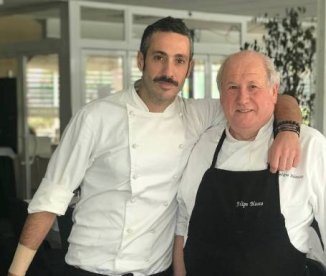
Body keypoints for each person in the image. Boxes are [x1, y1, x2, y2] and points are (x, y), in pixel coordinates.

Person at [8, 18, 302, 276]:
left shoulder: (196, 114)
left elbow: (274, 100)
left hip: (154, 270)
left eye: (179, 60)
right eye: (159, 57)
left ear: (189, 67)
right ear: (141, 60)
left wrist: (288, 129)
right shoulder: (96, 117)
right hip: (89, 267)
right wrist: (16, 271)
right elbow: (51, 198)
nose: (168, 71)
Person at [173, 50, 326, 276]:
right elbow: (183, 222)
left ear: (273, 92)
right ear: (221, 95)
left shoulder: (309, 146)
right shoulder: (203, 145)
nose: (242, 98)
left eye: (253, 87)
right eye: (232, 87)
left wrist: (289, 130)